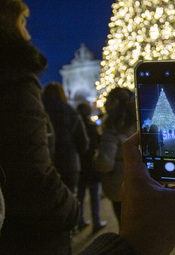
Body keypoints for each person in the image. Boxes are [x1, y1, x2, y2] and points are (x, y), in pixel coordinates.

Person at [0, 0, 79, 254]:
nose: (28, 33)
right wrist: (72, 209)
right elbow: (32, 174)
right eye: (22, 22)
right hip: (30, 234)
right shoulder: (15, 80)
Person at [80, 133, 175, 255]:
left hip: (122, 183)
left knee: (125, 213)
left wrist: (130, 241)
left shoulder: (111, 132)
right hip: (140, 177)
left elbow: (104, 163)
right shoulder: (133, 131)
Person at [95, 88, 136, 226]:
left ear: (116, 102)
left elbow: (105, 163)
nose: (105, 104)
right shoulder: (137, 121)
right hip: (138, 179)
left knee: (125, 225)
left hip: (119, 184)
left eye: (108, 100)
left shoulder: (112, 128)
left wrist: (95, 160)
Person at [42, 82, 89, 193]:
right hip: (68, 164)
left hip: (44, 164)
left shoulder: (40, 111)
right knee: (69, 202)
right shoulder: (71, 113)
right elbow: (82, 144)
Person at [77, 102, 107, 233]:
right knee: (94, 195)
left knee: (80, 195)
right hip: (92, 165)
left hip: (80, 165)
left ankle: (80, 221)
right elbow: (98, 145)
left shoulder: (76, 126)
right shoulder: (92, 127)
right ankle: (96, 221)